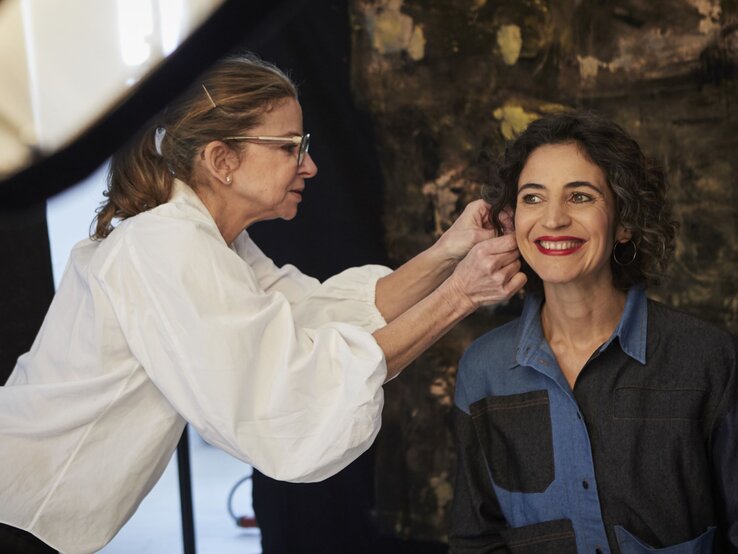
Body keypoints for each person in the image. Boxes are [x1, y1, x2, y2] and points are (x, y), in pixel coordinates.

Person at [0, 52, 526, 554]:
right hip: (18, 509)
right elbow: (287, 392)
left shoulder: (210, 240)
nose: (310, 165)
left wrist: (449, 252)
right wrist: (460, 296)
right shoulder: (167, 247)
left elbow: (316, 316)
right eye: (289, 147)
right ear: (222, 160)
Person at [450, 111, 738, 553]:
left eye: (580, 197)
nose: (553, 220)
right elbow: (477, 541)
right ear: (511, 222)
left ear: (624, 222)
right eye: (533, 198)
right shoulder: (484, 369)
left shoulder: (707, 359)